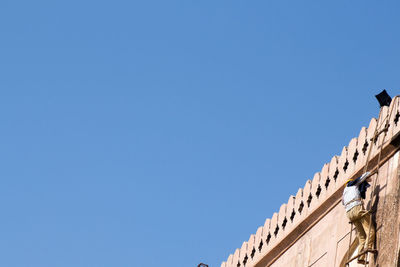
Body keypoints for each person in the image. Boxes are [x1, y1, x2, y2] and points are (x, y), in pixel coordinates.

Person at [342, 172, 376, 264]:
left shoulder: (344, 194)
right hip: (357, 208)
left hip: (350, 214)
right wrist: (370, 173)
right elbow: (363, 176)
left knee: (362, 237)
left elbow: (343, 203)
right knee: (370, 230)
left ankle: (361, 257)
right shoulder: (352, 185)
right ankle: (368, 247)